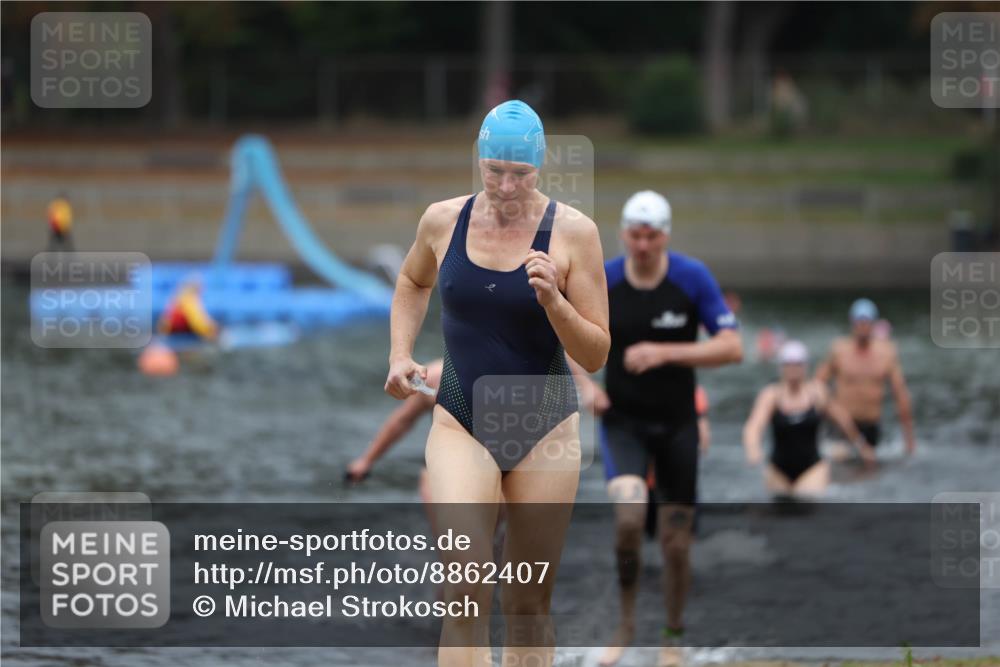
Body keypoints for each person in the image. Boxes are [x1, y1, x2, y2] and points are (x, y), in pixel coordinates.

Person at [384, 99, 609, 667]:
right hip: (462, 421)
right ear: (479, 160)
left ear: (541, 166)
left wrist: (555, 301)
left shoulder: (575, 233)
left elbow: (596, 352)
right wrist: (400, 353)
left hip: (545, 428)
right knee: (465, 589)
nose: (507, 187)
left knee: (527, 603)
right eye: (495, 171)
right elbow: (412, 281)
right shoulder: (442, 220)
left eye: (521, 174)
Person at [572, 190, 742, 667]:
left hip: (677, 425)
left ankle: (672, 633)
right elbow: (562, 333)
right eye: (635, 235)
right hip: (623, 422)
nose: (643, 245)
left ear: (665, 236)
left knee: (676, 543)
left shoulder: (691, 277)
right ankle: (626, 625)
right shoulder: (604, 278)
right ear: (623, 234)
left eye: (651, 236)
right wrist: (587, 387)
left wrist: (664, 352)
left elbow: (732, 347)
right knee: (629, 519)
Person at [743, 340, 875, 498]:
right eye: (788, 364)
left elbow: (841, 418)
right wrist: (753, 449)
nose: (793, 369)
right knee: (779, 508)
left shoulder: (817, 392)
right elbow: (754, 426)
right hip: (778, 470)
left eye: (797, 364)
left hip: (812, 468)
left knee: (807, 504)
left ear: (805, 366)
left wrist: (861, 445)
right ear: (781, 367)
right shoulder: (772, 395)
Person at [815, 298, 915, 456]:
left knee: (872, 465)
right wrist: (830, 408)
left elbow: (901, 395)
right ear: (852, 323)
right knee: (842, 463)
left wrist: (909, 439)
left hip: (871, 425)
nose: (862, 326)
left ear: (873, 324)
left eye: (866, 322)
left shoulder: (886, 354)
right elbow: (817, 385)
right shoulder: (839, 350)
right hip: (842, 426)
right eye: (859, 322)